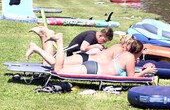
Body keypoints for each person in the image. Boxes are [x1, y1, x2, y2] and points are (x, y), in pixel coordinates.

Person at [26, 33, 155, 77]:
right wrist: (146, 71)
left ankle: (36, 48)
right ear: (136, 52)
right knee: (58, 69)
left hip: (92, 64)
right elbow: (131, 76)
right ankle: (59, 41)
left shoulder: (123, 53)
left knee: (57, 66)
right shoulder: (129, 56)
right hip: (93, 66)